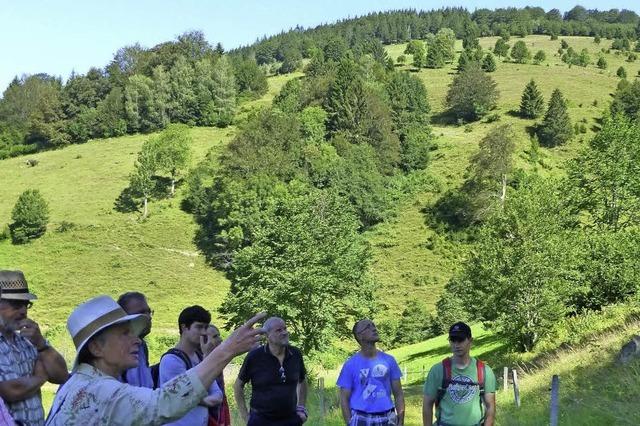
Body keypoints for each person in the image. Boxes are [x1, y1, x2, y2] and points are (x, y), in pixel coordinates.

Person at [45, 295, 265, 425]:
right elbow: (163, 402)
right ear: (95, 347)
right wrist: (226, 350)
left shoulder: (76, 383)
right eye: (124, 334)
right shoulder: (101, 391)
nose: (136, 341)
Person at [0, 270, 69, 426]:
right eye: (16, 304)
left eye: (26, 304)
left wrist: (42, 345)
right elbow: (10, 391)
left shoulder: (29, 340)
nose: (23, 311)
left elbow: (62, 376)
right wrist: (41, 377)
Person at [234, 316, 308, 426]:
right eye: (279, 330)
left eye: (285, 329)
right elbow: (238, 385)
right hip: (261, 420)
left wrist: (301, 408)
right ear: (267, 335)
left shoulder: (295, 354)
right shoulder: (255, 357)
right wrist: (246, 417)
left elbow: (302, 381)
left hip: (290, 419)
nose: (284, 333)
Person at [159, 305, 223, 426]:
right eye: (199, 327)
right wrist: (206, 400)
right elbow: (181, 396)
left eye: (205, 327)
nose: (204, 332)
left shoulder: (200, 357)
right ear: (184, 327)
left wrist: (199, 400)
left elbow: (217, 394)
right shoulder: (172, 360)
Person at [422, 322, 496, 426]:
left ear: (470, 341)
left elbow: (490, 407)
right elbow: (427, 404)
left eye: (461, 340)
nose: (456, 345)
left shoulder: (484, 371)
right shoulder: (437, 370)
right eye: (453, 340)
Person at [337, 319, 405, 426]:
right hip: (360, 418)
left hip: (387, 417)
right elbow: (344, 399)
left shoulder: (389, 360)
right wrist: (350, 422)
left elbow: (398, 394)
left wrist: (400, 421)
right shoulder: (350, 365)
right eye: (368, 327)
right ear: (359, 336)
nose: (373, 328)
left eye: (373, 325)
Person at [118, 292, 154, 388]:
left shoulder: (142, 347)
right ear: (124, 317)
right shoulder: (115, 352)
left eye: (149, 312)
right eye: (141, 313)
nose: (149, 317)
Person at [204, 324, 231, 426]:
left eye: (219, 335)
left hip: (220, 412)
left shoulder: (217, 360)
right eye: (215, 336)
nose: (220, 339)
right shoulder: (196, 363)